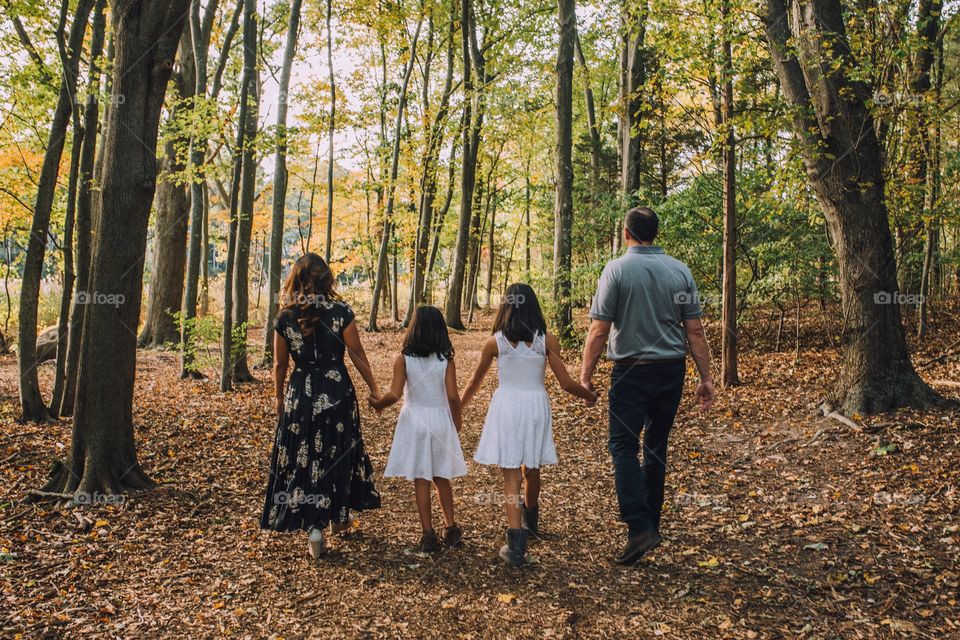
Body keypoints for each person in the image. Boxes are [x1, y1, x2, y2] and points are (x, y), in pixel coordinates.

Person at [580, 206, 716, 565]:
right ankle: (648, 528)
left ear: (627, 233)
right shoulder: (679, 271)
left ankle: (640, 526)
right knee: (656, 446)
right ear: (655, 234)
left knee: (623, 446)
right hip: (671, 371)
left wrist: (585, 375)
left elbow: (599, 329)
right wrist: (705, 378)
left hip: (629, 372)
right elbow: (695, 330)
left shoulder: (617, 270)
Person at [461, 283, 597, 566]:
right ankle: (531, 519)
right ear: (534, 308)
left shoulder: (495, 343)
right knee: (531, 467)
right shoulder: (547, 340)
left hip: (508, 406)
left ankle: (515, 546)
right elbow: (567, 383)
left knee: (511, 475)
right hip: (536, 406)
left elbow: (474, 383)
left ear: (505, 308)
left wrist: (457, 409)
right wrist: (590, 395)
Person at [260, 253, 382, 560]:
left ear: (296, 279)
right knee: (337, 453)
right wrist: (375, 389)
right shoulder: (341, 311)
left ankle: (317, 529)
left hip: (300, 395)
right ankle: (336, 516)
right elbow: (356, 353)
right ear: (326, 278)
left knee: (306, 458)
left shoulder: (285, 317)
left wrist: (278, 397)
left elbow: (279, 364)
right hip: (337, 392)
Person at [370, 306, 467, 553]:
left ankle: (428, 535)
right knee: (442, 477)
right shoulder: (446, 360)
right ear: (440, 331)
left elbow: (394, 393)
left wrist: (379, 404)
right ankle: (451, 528)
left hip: (415, 421)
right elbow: (454, 397)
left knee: (421, 480)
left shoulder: (403, 359)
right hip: (439, 419)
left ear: (414, 329)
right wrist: (457, 421)